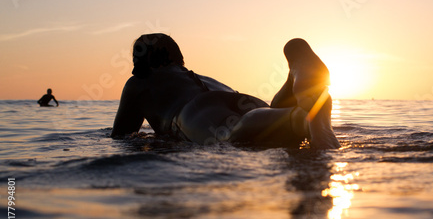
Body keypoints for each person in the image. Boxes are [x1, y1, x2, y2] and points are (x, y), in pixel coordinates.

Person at [111, 33, 341, 149]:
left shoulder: (140, 82)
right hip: (242, 100)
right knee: (258, 121)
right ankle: (298, 101)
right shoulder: (198, 77)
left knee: (230, 133)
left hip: (198, 111)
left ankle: (301, 118)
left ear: (142, 62)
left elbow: (122, 136)